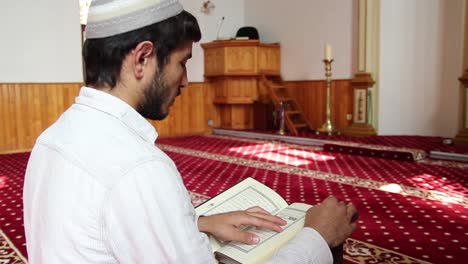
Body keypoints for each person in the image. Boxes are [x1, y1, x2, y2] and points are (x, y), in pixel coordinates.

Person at [23, 0, 358, 263]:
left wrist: (194, 224)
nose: (184, 81)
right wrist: (316, 236)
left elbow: (96, 232)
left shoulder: (52, 138)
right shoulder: (140, 167)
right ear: (142, 58)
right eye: (182, 62)